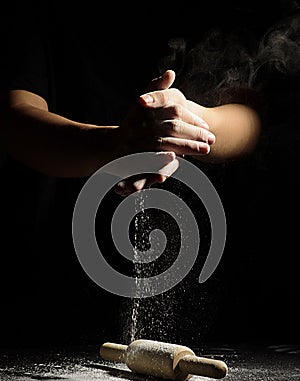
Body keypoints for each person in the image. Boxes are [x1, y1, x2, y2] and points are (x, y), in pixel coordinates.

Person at [0, 1, 298, 346]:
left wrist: (188, 122)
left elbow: (252, 117)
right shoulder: (43, 14)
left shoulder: (224, 15)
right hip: (48, 299)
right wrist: (114, 145)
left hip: (221, 312)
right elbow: (15, 117)